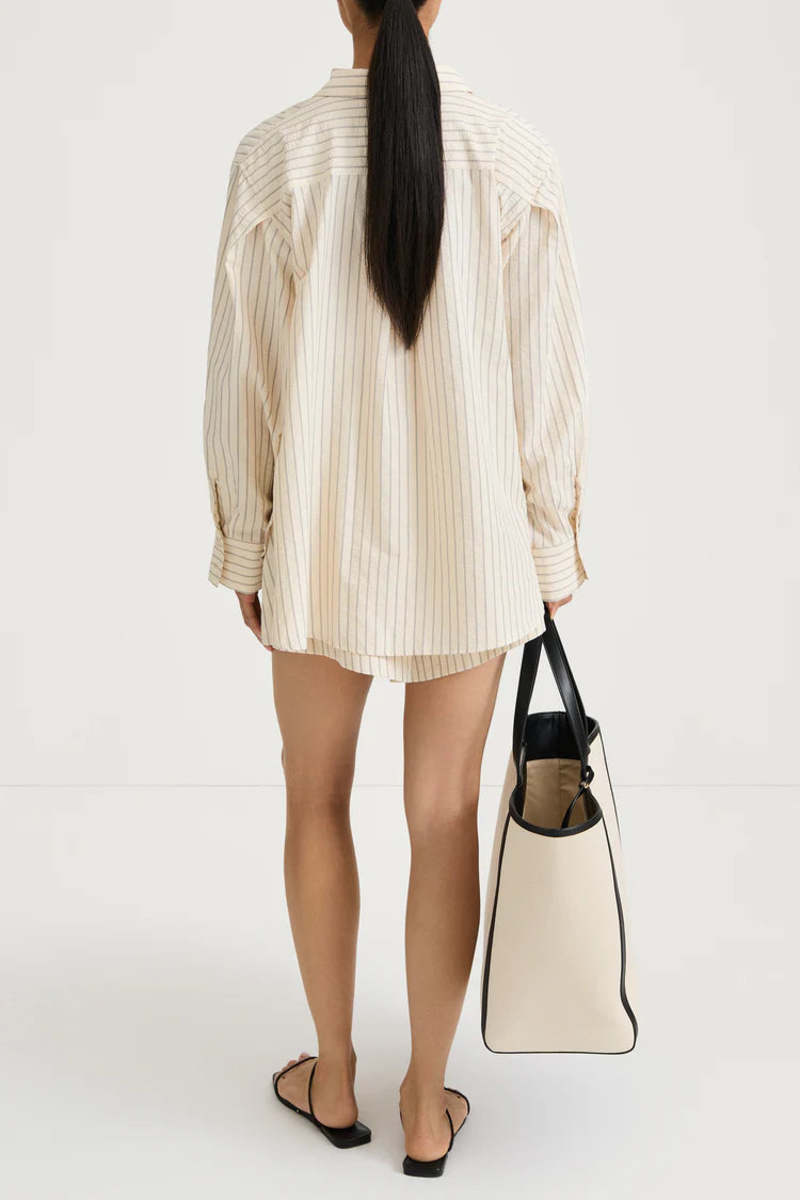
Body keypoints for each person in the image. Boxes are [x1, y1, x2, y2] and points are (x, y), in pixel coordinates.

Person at [202, 0, 588, 1177]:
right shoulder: (513, 156)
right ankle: (426, 1107)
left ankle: (331, 1076)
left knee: (314, 798)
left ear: (339, 2)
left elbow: (241, 379)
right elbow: (546, 385)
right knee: (442, 817)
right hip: (473, 547)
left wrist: (247, 543)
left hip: (319, 541)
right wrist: (548, 548)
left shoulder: (275, 157)